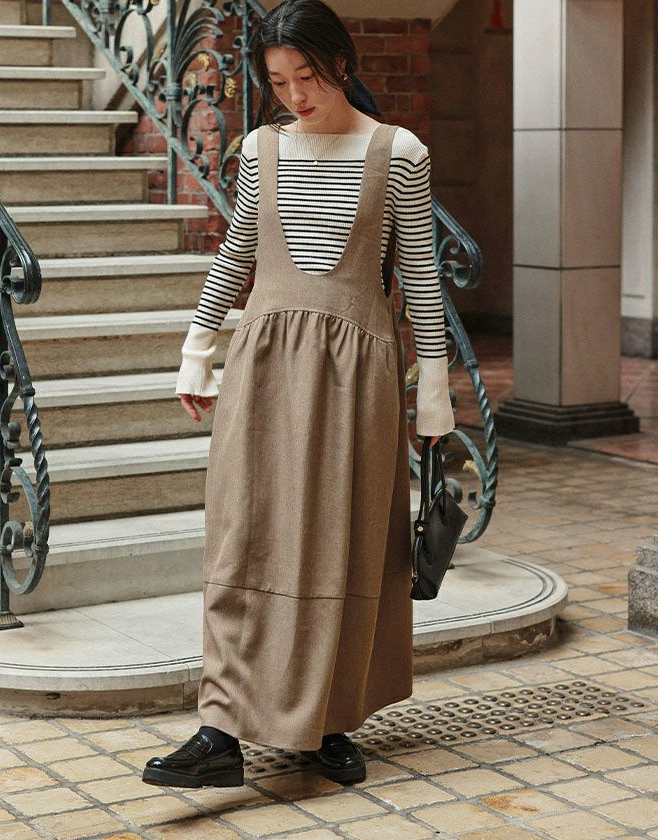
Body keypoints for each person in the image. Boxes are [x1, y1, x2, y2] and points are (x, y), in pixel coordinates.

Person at [142, 0, 455, 790]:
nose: (294, 96)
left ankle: (326, 723)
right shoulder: (262, 147)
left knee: (339, 546)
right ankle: (220, 731)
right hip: (264, 366)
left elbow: (421, 279)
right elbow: (236, 252)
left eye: (306, 77)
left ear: (341, 64)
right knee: (243, 539)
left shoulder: (399, 152)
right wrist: (196, 350)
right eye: (278, 82)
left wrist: (435, 393)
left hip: (359, 378)